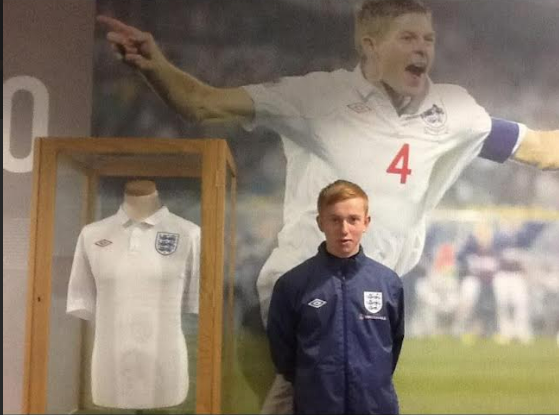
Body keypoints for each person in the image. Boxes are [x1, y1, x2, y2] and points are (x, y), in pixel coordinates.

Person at [97, 0, 558, 411]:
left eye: (429, 38)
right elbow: (202, 103)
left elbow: (539, 148)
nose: (422, 48)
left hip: (371, 294)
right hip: (308, 282)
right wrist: (153, 65)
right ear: (370, 46)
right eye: (408, 37)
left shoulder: (455, 111)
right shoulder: (320, 98)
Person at [267, 180, 404, 414]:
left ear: (366, 223)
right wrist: (316, 384)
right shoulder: (292, 284)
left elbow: (393, 345)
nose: (344, 229)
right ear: (321, 223)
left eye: (353, 219)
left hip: (374, 407)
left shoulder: (388, 283)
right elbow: (284, 355)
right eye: (335, 219)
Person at [66, 180, 200, 409]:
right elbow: (82, 298)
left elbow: (194, 299)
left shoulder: (188, 233)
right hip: (111, 364)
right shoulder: (92, 234)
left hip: (165, 362)